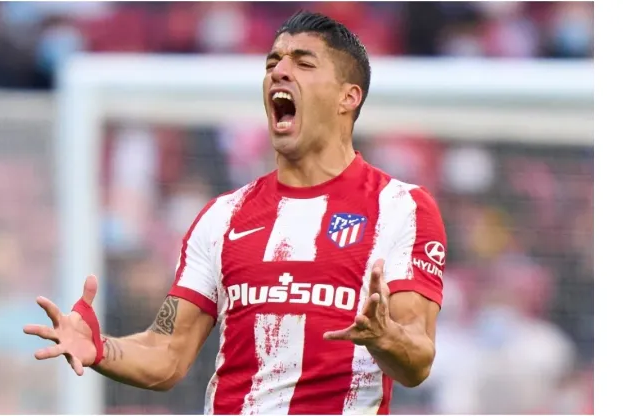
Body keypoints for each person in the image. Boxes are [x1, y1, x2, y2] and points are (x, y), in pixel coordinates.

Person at [23, 11, 446, 415]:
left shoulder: (400, 208)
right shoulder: (222, 217)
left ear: (347, 97)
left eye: (303, 63)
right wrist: (101, 349)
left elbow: (417, 358)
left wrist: (385, 337)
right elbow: (166, 353)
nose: (280, 71)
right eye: (273, 62)